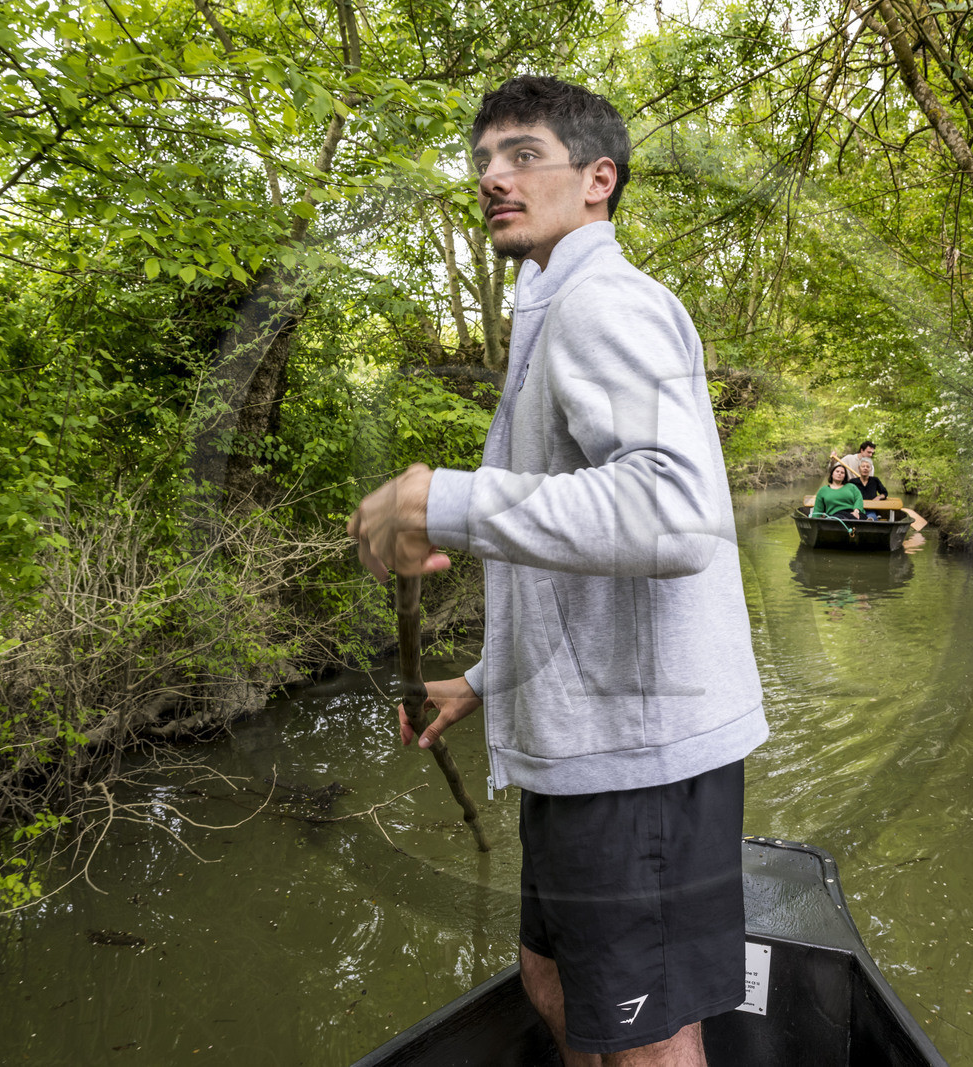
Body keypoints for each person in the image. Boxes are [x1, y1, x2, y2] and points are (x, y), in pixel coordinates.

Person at [346, 75, 767, 1067]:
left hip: (642, 760)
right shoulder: (552, 312)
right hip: (586, 758)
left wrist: (435, 499)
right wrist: (483, 681)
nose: (492, 175)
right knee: (553, 985)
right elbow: (579, 559)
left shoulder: (605, 302)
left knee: (646, 1038)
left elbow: (673, 516)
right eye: (484, 158)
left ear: (597, 181)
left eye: (523, 153)